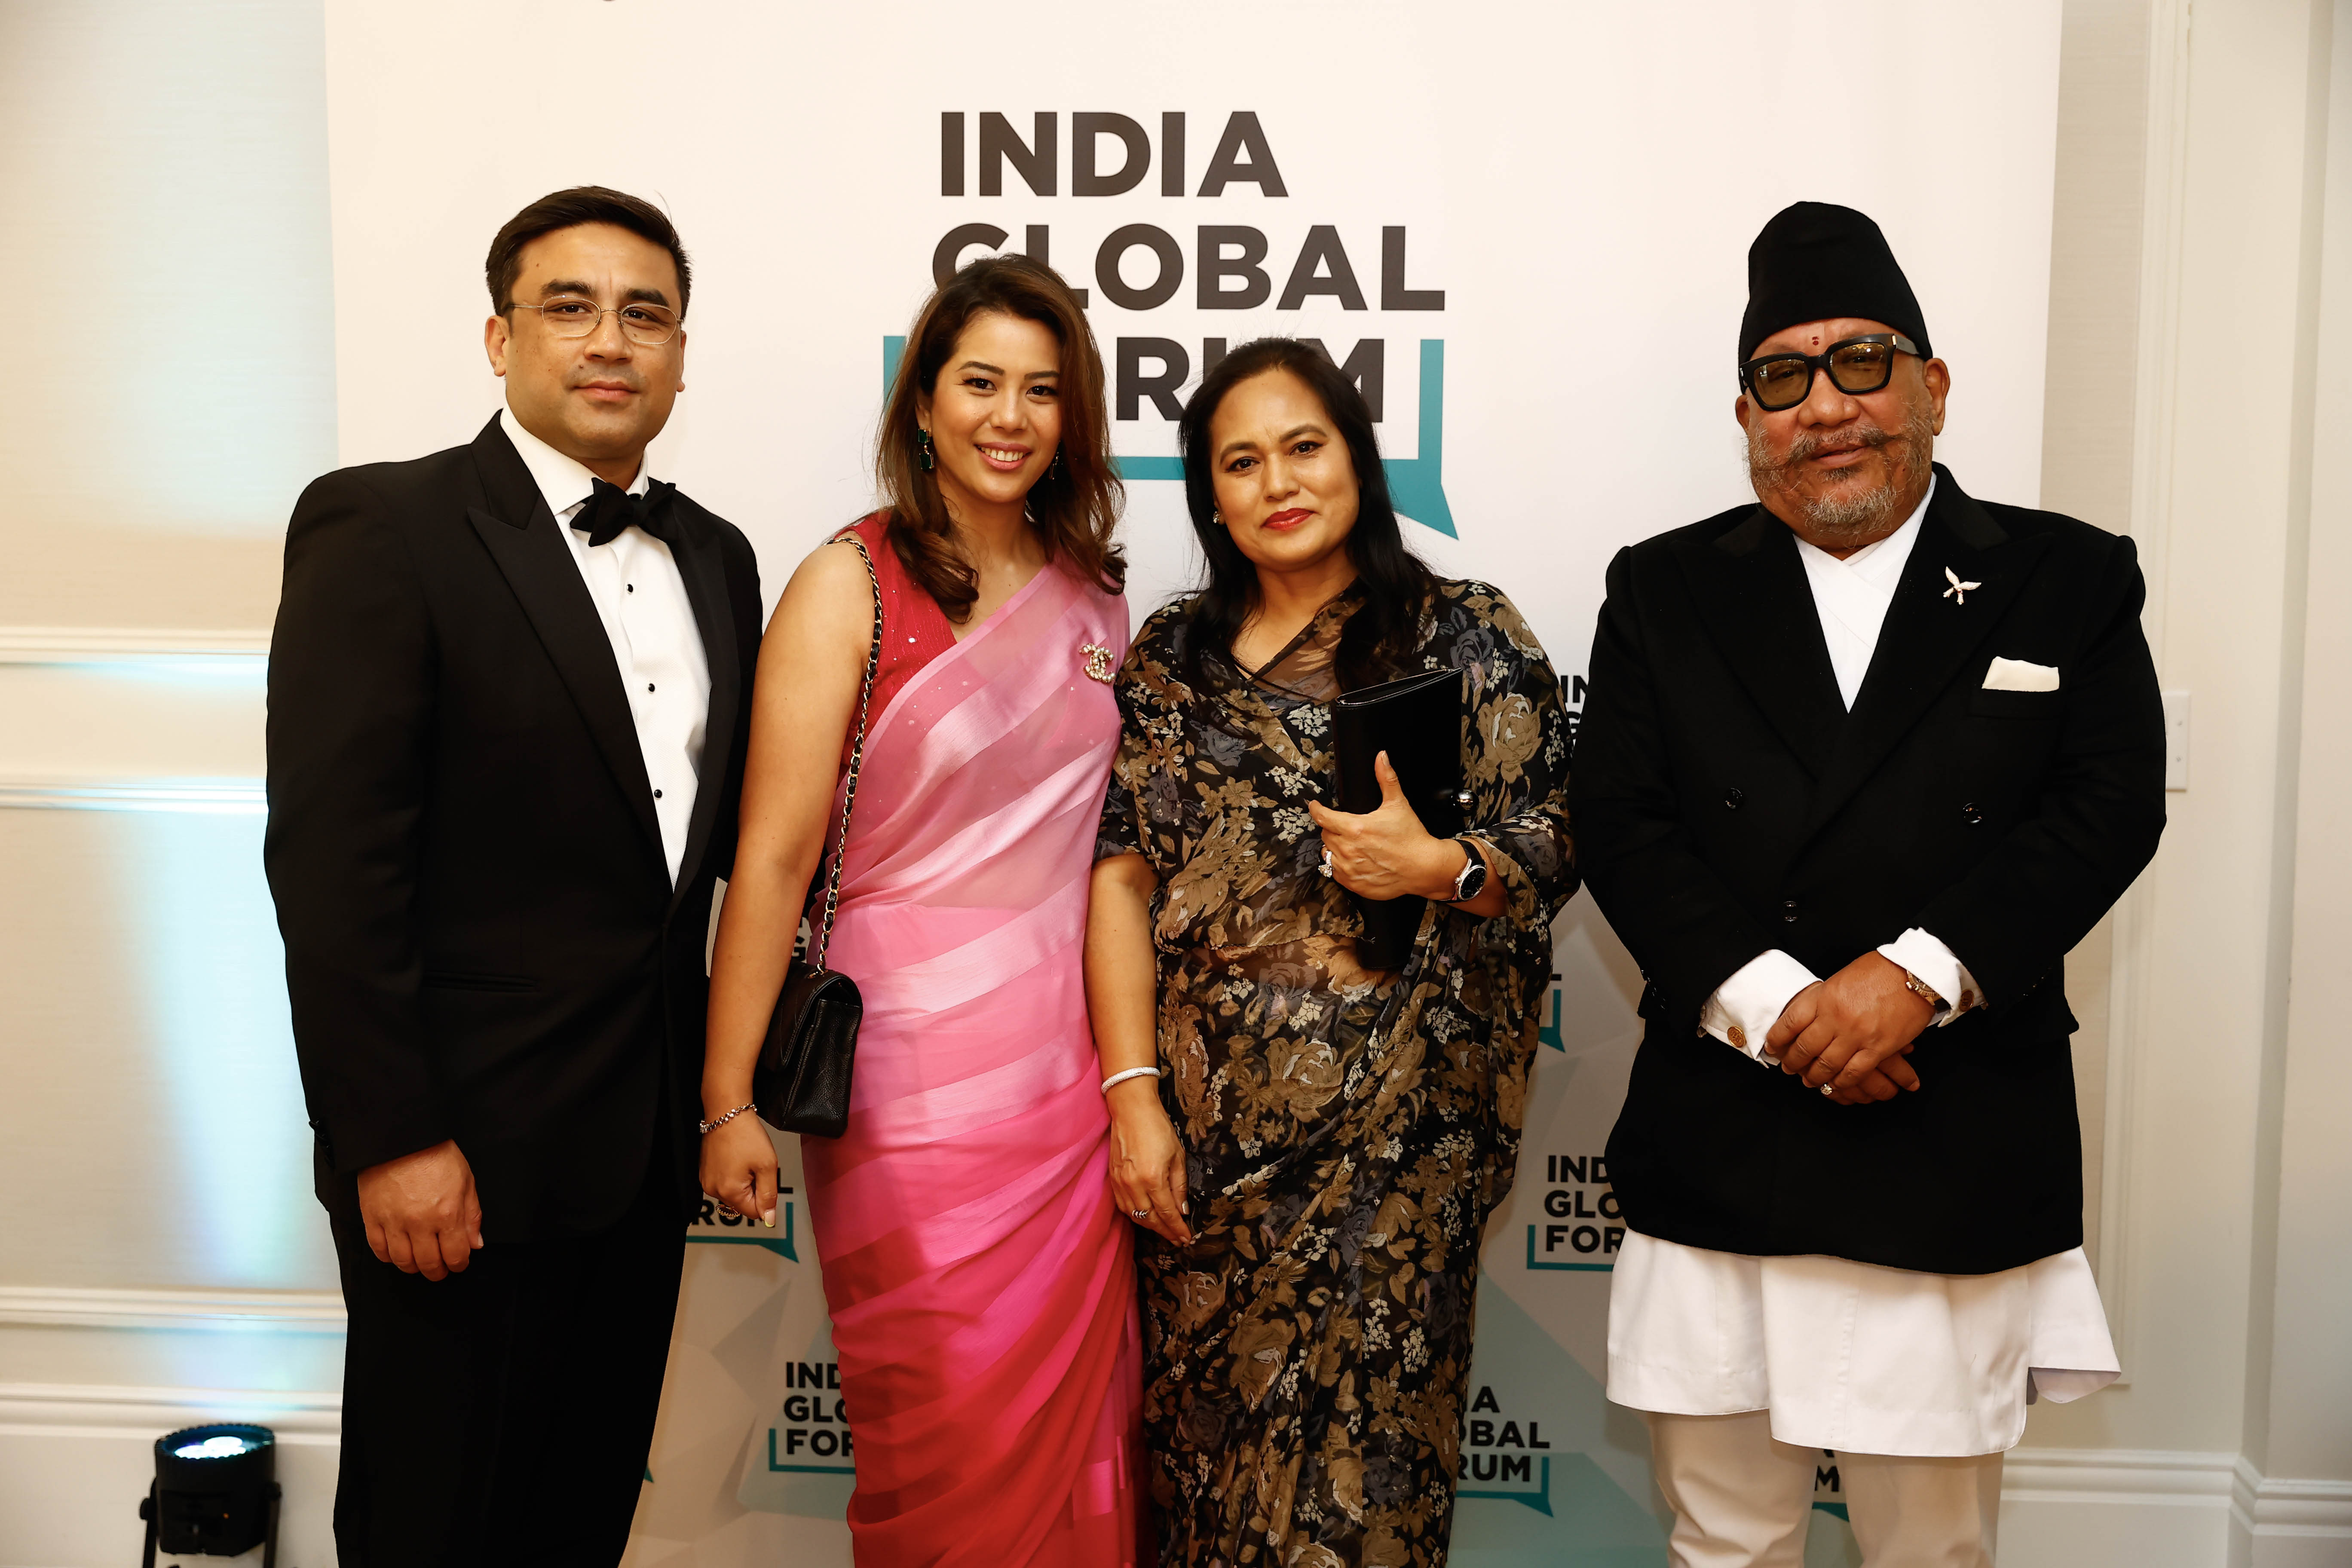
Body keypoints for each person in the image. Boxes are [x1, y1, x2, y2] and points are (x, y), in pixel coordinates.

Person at [1572, 201, 2167, 1568]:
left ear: (1933, 387)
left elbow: (2106, 808)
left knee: (1932, 1549)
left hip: (1952, 1124)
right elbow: (1621, 821)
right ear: (1747, 418)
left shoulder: (2065, 578)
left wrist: (1914, 980)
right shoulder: (1665, 589)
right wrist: (1785, 1008)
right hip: (1732, 1126)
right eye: (1784, 378)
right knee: (1724, 1537)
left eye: (1861, 362)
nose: (1826, 407)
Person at [264, 187, 760, 1565]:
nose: (610, 341)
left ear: (679, 354)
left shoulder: (718, 557)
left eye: (645, 314)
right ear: (500, 338)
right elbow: (333, 866)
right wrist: (391, 1136)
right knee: (434, 1530)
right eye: (569, 307)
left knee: (579, 1526)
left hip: (641, 1156)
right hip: (456, 1159)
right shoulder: (386, 525)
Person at [1088, 338, 1577, 1568]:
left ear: (1357, 459)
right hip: (1207, 1163)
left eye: (1304, 447)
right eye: (1240, 462)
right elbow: (1122, 876)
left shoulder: (1463, 633)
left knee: (1367, 1500)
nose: (1279, 482)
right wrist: (1134, 1099)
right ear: (1210, 495)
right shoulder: (1173, 658)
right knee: (1205, 1488)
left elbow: (1560, 836)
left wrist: (1439, 868)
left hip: (1397, 1162)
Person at [698, 253, 1142, 1566]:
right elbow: (771, 862)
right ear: (926, 404)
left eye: (1042, 391)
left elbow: (1108, 860)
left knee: (1078, 1432)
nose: (1010, 417)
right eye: (980, 383)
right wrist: (726, 1100)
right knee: (943, 1431)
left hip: (1066, 1089)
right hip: (902, 1093)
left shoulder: (1095, 593)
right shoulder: (849, 581)